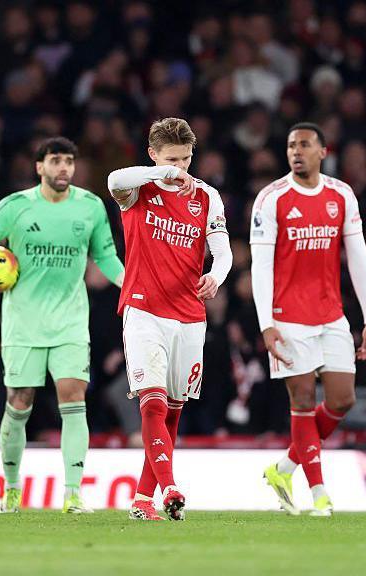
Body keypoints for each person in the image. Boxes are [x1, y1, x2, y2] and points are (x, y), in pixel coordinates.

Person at [0, 137, 125, 514]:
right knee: (19, 402)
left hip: (70, 322)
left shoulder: (91, 206)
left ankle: (73, 494)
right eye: (56, 160)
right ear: (39, 167)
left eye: (69, 161)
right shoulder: (15, 206)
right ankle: (12, 489)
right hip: (23, 323)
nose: (64, 167)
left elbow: (106, 257)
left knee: (73, 398)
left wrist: (132, 286)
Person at [107, 117, 233, 521]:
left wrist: (216, 276)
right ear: (153, 155)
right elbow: (113, 179)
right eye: (171, 159)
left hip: (190, 316)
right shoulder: (137, 190)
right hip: (144, 310)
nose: (180, 167)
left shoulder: (207, 196)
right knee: (152, 404)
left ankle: (143, 501)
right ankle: (170, 486)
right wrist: (162, 174)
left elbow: (223, 251)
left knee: (173, 411)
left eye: (185, 159)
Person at [251, 122, 366, 517]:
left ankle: (284, 468)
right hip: (287, 317)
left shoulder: (341, 194)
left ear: (323, 151)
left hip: (331, 315)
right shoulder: (271, 198)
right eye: (292, 145)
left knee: (342, 399)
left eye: (305, 145)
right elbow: (261, 265)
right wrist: (266, 323)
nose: (297, 151)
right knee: (304, 400)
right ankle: (320, 494)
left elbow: (358, 256)